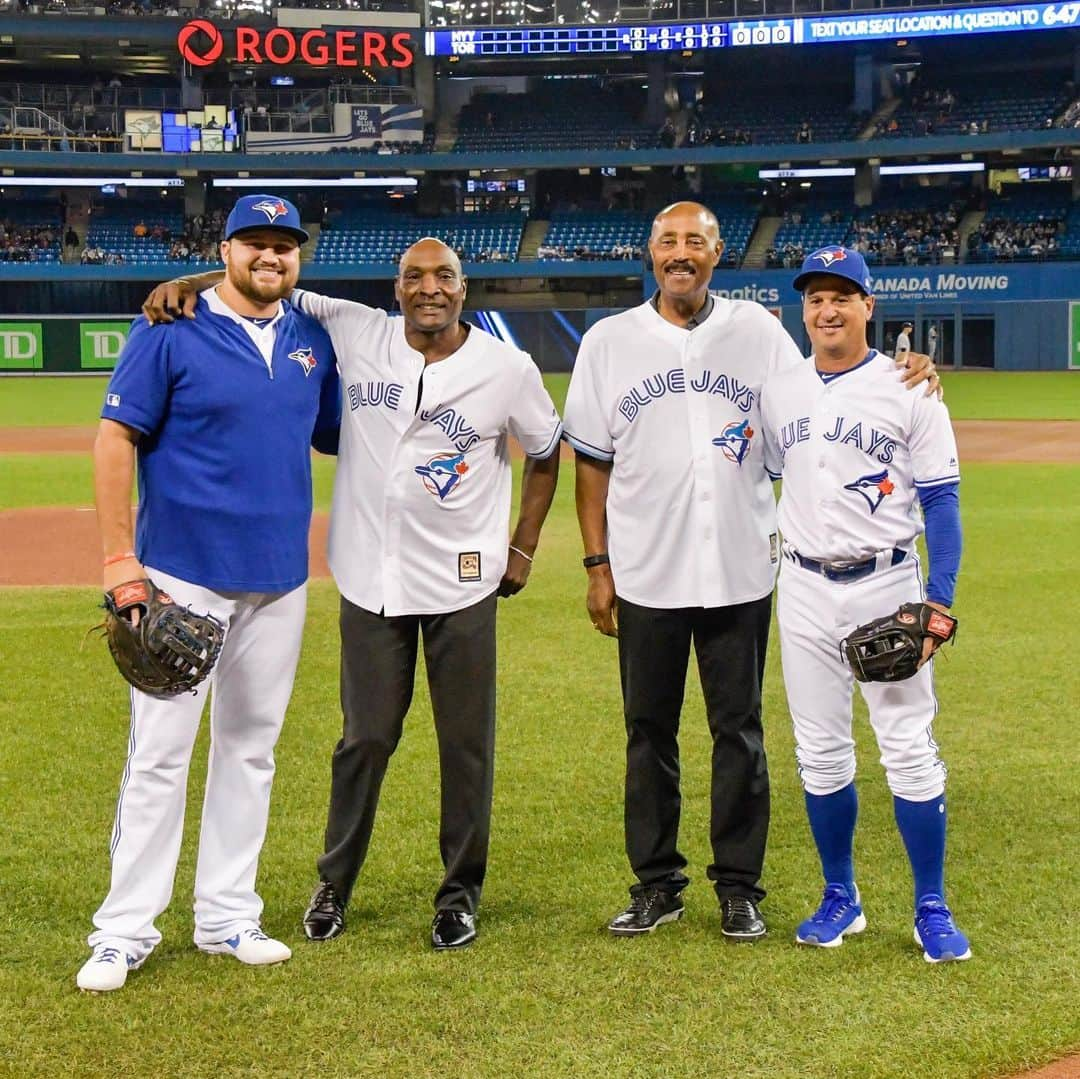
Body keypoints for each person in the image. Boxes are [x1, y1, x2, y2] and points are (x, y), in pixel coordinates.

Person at [142, 238, 561, 951]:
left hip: (462, 584)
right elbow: (267, 278)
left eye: (445, 277)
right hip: (371, 577)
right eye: (414, 277)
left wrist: (521, 545)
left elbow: (547, 452)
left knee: (465, 745)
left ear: (465, 290)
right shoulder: (354, 326)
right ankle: (334, 883)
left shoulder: (507, 368)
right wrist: (189, 279)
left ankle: (458, 894)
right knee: (363, 739)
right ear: (395, 289)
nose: (429, 288)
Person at [563, 204, 938, 941]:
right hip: (644, 571)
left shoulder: (760, 333)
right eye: (667, 241)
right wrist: (597, 564)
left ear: (716, 253)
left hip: (741, 568)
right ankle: (657, 884)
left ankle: (739, 886)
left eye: (694, 242)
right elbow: (590, 464)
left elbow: (829, 387)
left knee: (740, 730)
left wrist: (911, 372)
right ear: (651, 251)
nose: (680, 254)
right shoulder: (608, 342)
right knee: (649, 732)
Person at [76, 194, 341, 993]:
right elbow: (116, 436)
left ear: (300, 256)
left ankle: (227, 914)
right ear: (223, 251)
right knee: (159, 756)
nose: (271, 256)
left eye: (284, 244)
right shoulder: (168, 328)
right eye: (254, 243)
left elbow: (334, 433)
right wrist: (122, 558)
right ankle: (123, 928)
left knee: (250, 751)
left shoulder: (313, 339)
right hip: (182, 576)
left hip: (279, 580)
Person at [760, 246, 969, 962]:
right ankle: (840, 895)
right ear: (805, 309)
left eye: (842, 296)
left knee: (908, 747)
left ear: (868, 307)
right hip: (804, 587)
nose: (827, 309)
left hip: (887, 584)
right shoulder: (780, 389)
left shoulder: (910, 388)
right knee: (819, 751)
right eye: (816, 297)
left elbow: (942, 503)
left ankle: (930, 905)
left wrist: (937, 602)